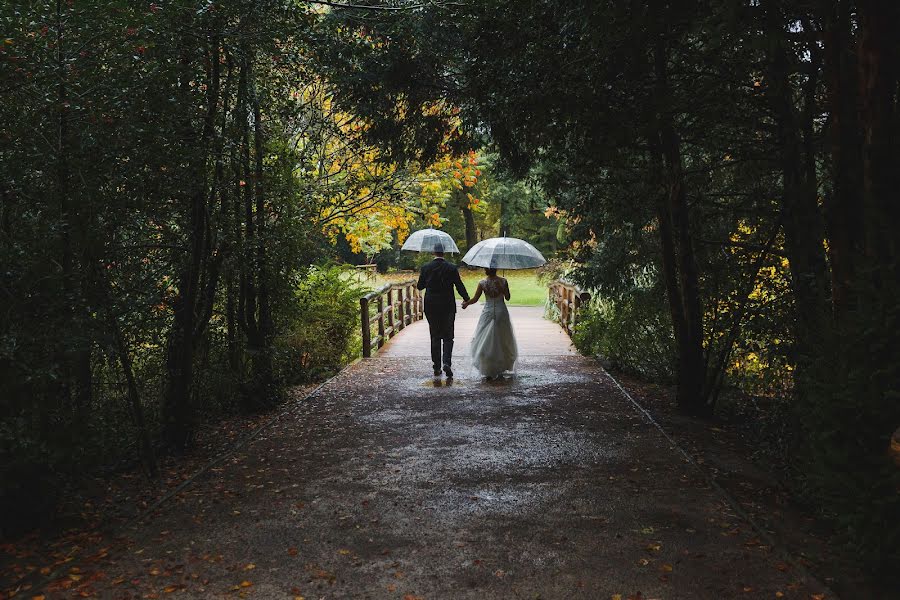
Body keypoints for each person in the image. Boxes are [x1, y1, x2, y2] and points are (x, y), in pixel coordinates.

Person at [417, 248, 470, 378]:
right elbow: (458, 285)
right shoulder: (451, 268)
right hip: (447, 305)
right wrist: (466, 298)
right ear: (443, 253)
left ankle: (436, 367)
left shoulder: (426, 267)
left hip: (431, 305)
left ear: (433, 253)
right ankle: (447, 363)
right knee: (448, 336)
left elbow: (420, 286)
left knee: (435, 336)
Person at [462, 267, 518, 379]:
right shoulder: (503, 281)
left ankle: (488, 366)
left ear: (487, 270)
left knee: (485, 338)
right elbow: (507, 298)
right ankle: (501, 366)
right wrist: (504, 288)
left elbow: (475, 299)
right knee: (502, 338)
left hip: (487, 312)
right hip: (501, 311)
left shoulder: (482, 283)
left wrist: (467, 303)